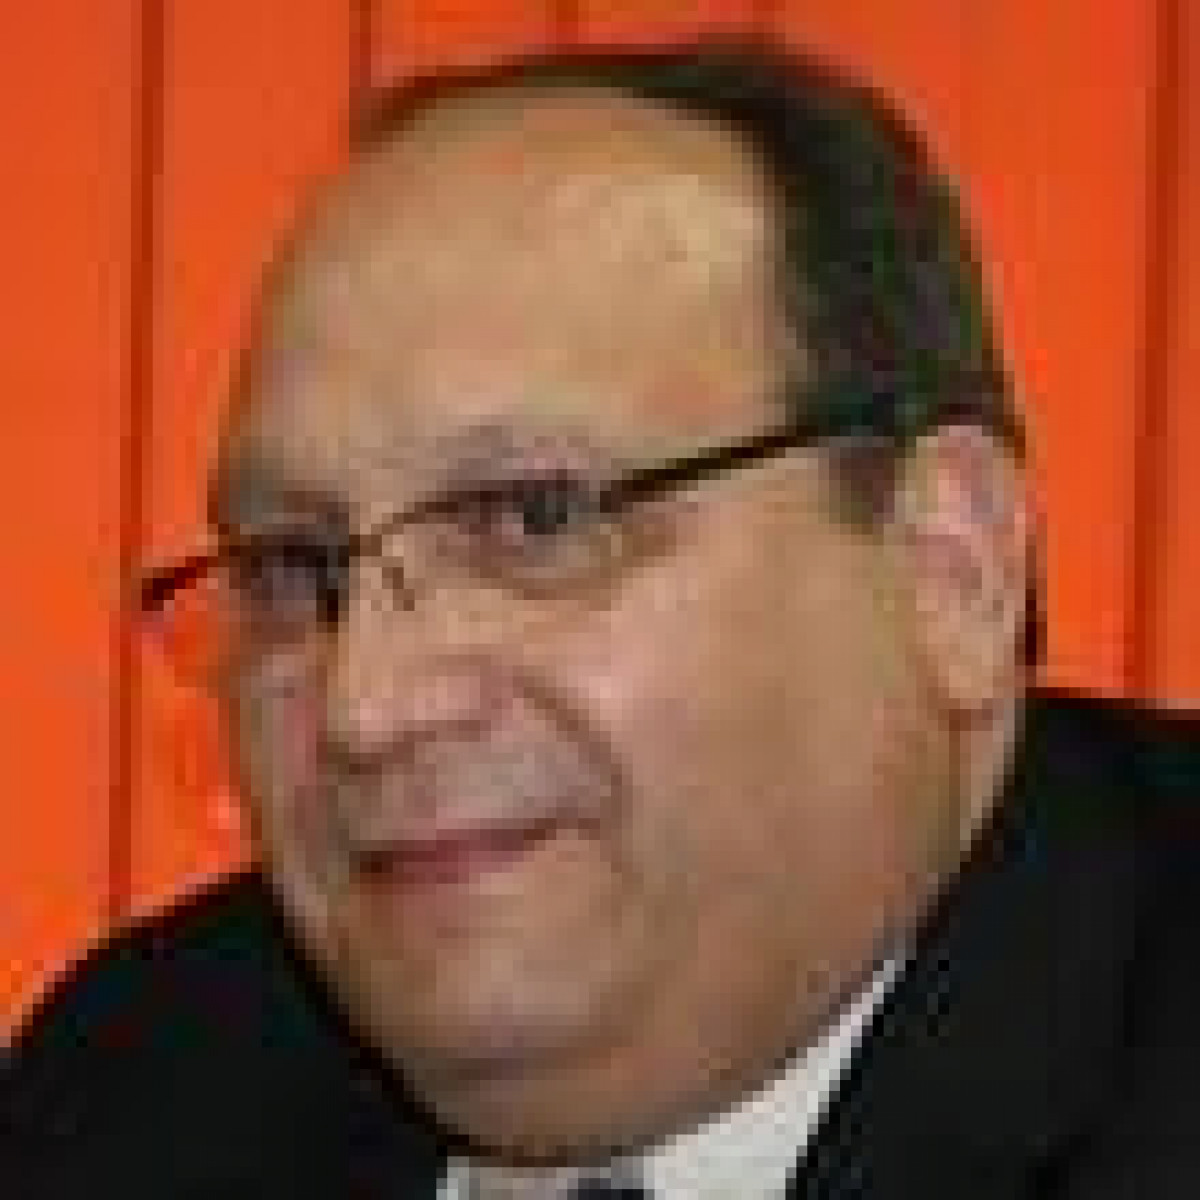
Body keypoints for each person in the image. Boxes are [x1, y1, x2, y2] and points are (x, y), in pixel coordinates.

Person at [5, 38, 1200, 1200]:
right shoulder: (138, 1089)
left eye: (532, 519)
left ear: (951, 566)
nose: (364, 707)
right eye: (288, 566)